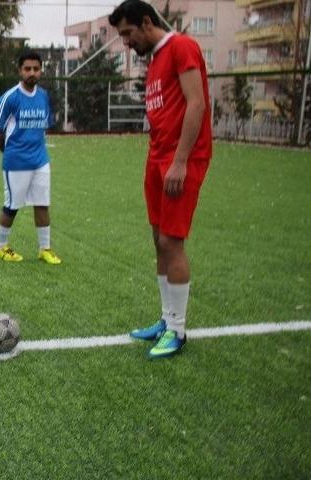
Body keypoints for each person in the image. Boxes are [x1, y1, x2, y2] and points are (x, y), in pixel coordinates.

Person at [109, 0, 212, 359]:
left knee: (172, 241)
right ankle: (166, 320)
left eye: (127, 33)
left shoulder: (182, 47)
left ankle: (179, 331)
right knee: (158, 240)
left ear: (146, 22)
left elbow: (196, 104)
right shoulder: (154, 60)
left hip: (181, 160)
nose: (125, 42)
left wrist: (181, 161)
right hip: (157, 158)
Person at [0, 51, 62, 266]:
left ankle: (45, 249)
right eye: (27, 69)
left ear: (41, 70)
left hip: (40, 161)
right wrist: (10, 153)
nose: (32, 73)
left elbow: (42, 128)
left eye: (36, 69)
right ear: (20, 70)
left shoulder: (43, 96)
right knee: (11, 206)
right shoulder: (10, 97)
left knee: (42, 204)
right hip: (16, 162)